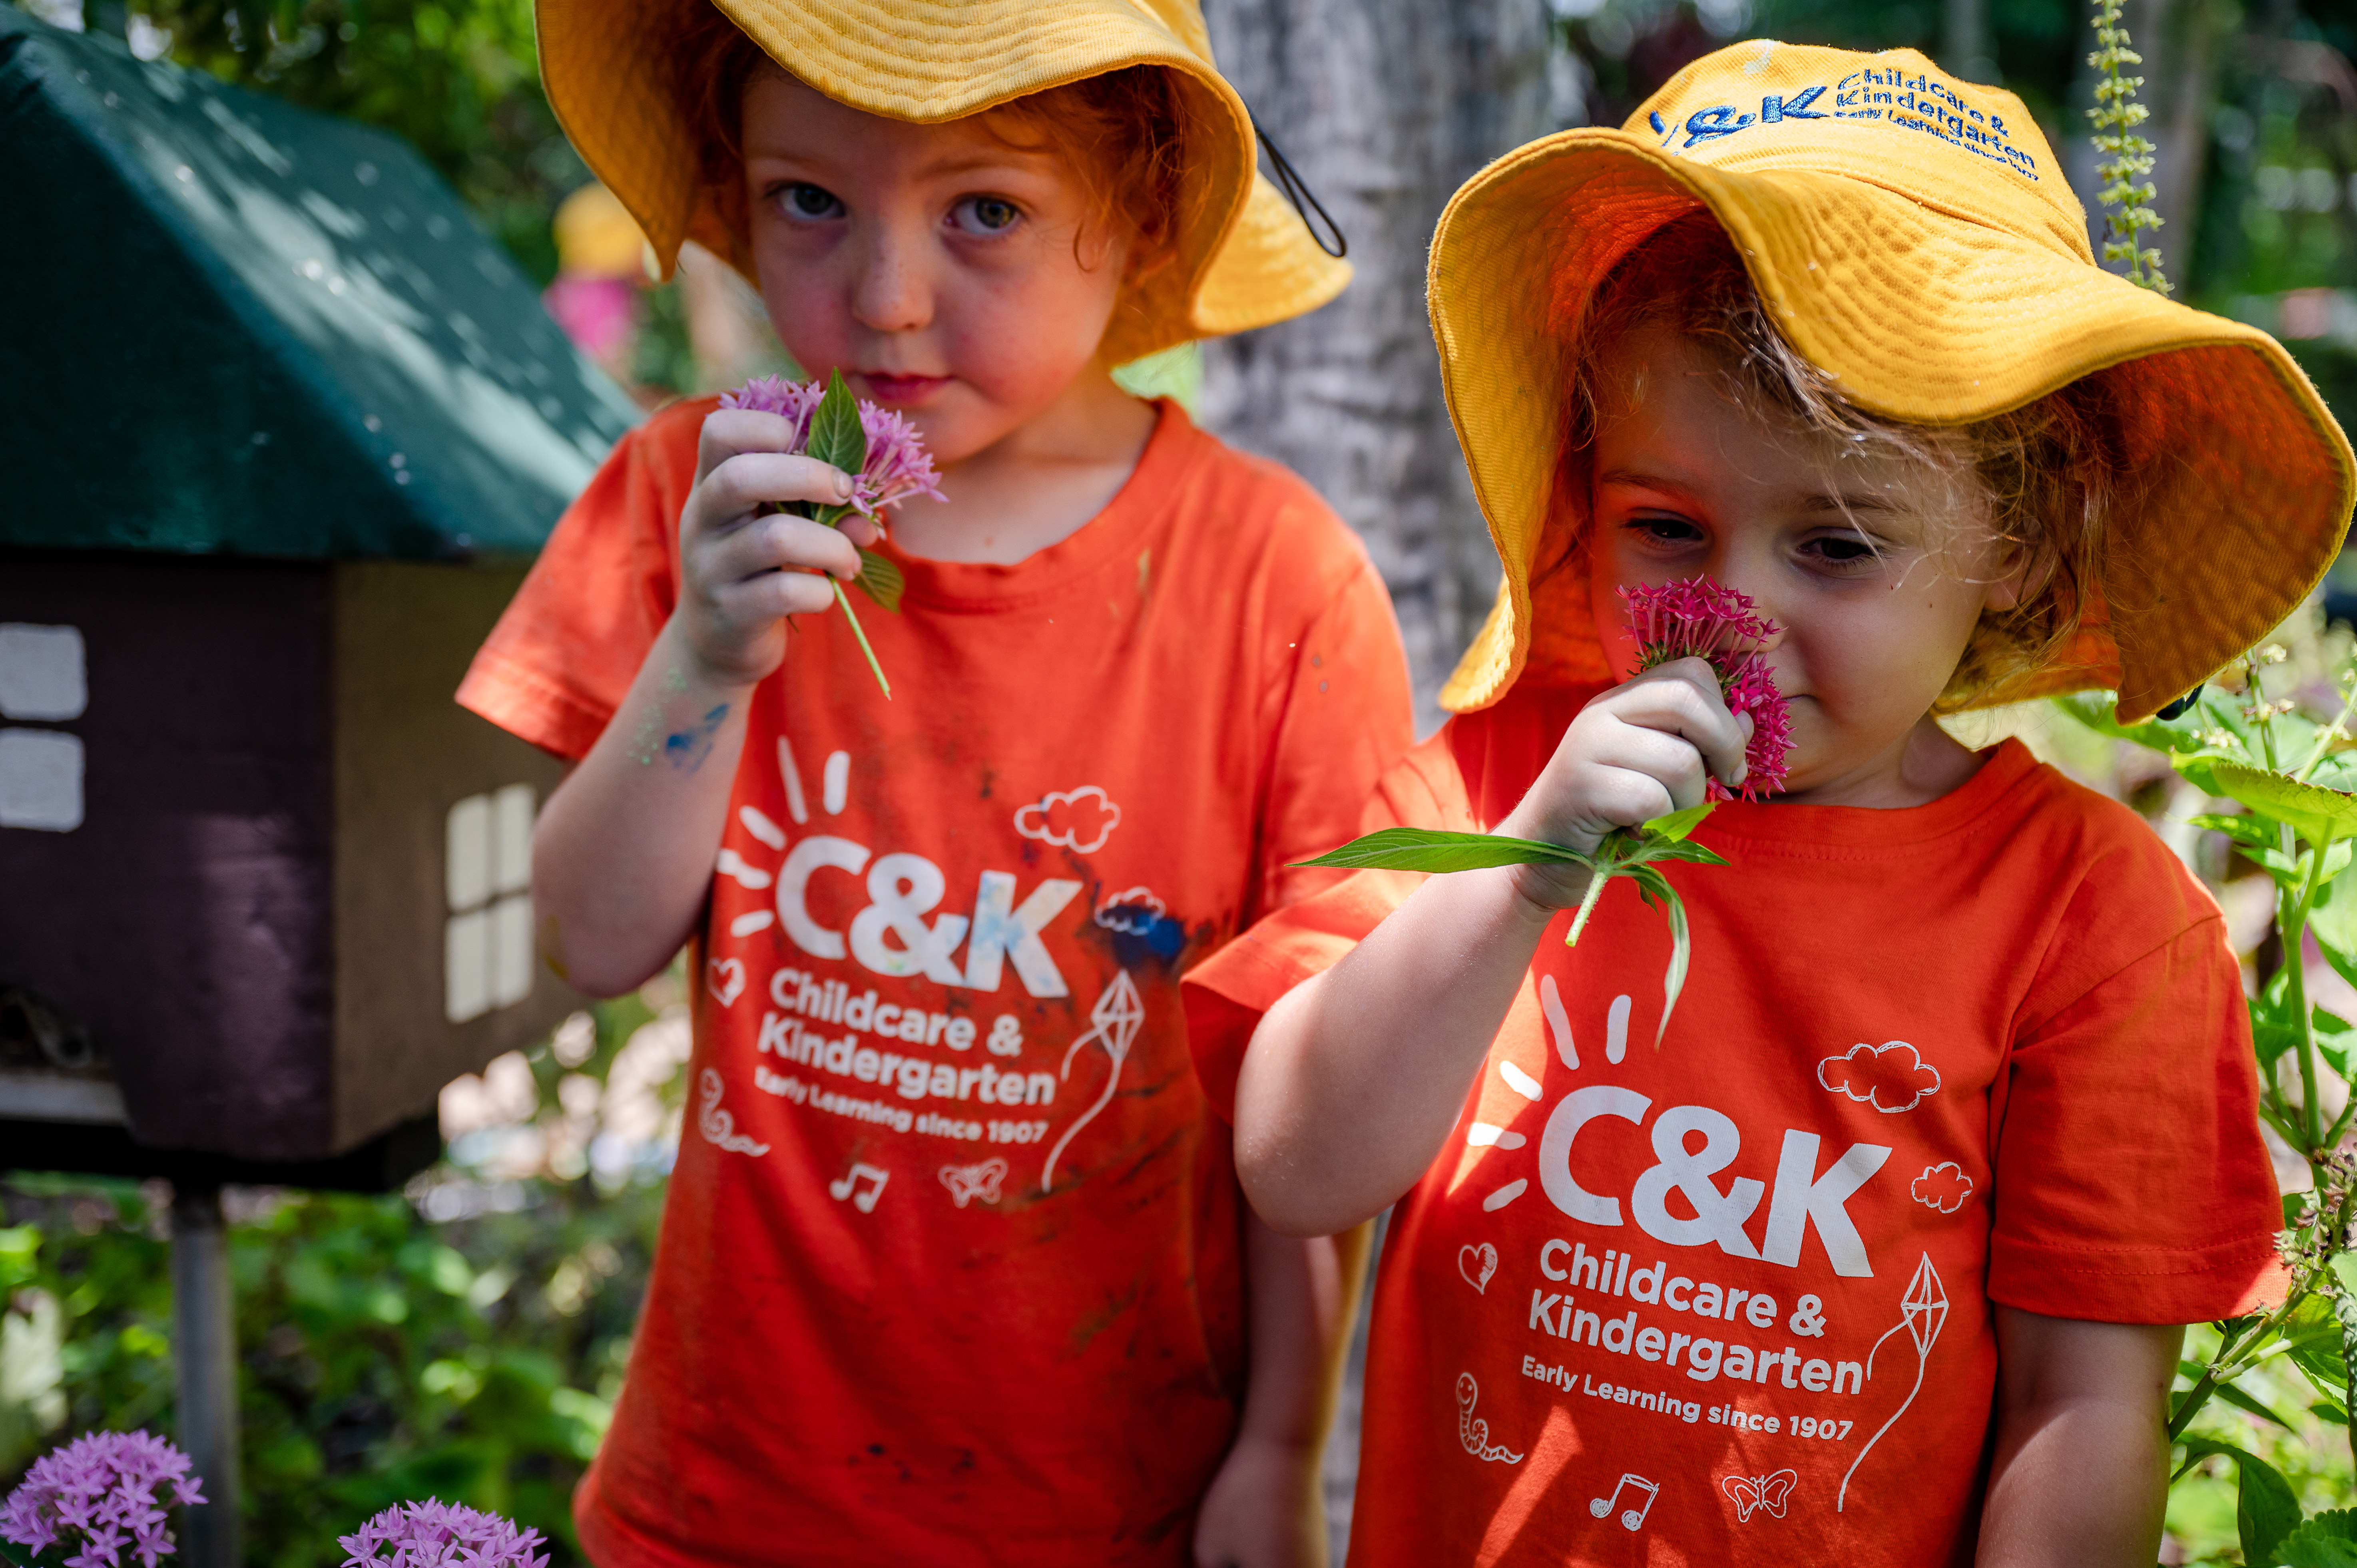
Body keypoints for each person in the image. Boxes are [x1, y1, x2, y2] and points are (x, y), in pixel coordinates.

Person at [1185, 40, 2357, 1566]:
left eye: (1838, 546)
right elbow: (1295, 1162)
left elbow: (2085, 1404)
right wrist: (1520, 872)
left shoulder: (2094, 924)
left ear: (2015, 537)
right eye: (1666, 526)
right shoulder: (1490, 788)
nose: (1727, 612)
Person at [457, 1, 1413, 1562]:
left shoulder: (1273, 583)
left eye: (987, 211)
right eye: (808, 203)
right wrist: (704, 653)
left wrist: (1282, 1444)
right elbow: (588, 940)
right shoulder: (697, 504)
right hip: (728, 1490)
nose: (886, 301)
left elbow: (1296, 1099)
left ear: (1141, 216)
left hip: (1110, 1501)